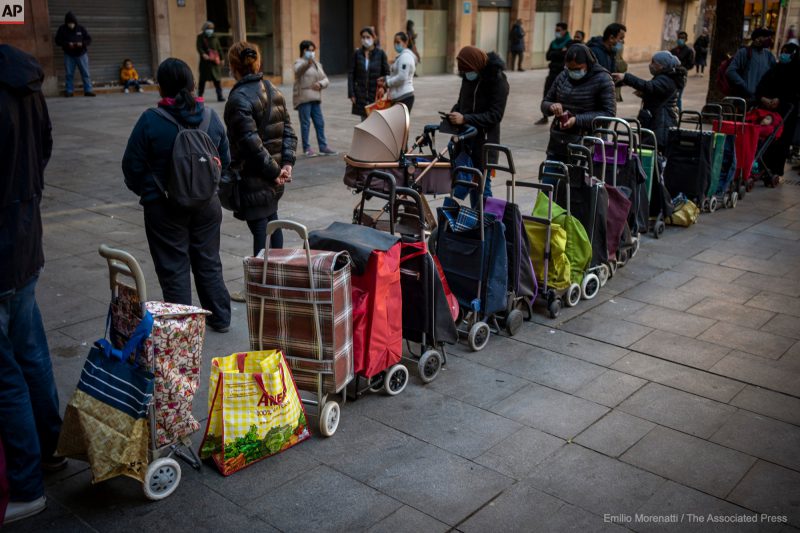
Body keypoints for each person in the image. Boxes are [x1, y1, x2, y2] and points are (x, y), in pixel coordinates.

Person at [0, 44, 63, 525]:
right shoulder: (25, 81)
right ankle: (52, 448)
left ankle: (25, 483)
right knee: (33, 355)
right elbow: (43, 146)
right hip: (25, 238)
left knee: (6, 377)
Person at [122, 58, 231, 332]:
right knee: (208, 262)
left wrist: (151, 193)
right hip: (207, 206)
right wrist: (208, 189)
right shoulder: (210, 117)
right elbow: (226, 160)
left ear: (161, 87)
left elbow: (131, 167)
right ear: (192, 83)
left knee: (174, 269)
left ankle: (184, 328)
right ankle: (220, 317)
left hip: (165, 207)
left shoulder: (151, 120)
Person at [225, 41, 297, 303]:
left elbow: (250, 145)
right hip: (273, 177)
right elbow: (288, 131)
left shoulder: (238, 99)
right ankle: (274, 279)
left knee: (261, 228)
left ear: (233, 66)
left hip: (257, 178)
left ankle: (260, 289)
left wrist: (277, 170)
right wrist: (285, 165)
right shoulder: (273, 89)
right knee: (271, 222)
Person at [447, 45, 509, 198]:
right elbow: (461, 103)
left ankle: (487, 221)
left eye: (468, 70)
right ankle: (474, 220)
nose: (467, 74)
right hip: (465, 141)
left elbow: (495, 115)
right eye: (464, 72)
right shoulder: (468, 78)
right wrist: (454, 113)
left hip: (484, 143)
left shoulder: (497, 81)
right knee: (464, 185)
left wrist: (466, 118)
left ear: (476, 65)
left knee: (481, 188)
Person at [541, 43, 616, 162]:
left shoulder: (603, 79)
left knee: (577, 179)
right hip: (558, 142)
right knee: (549, 178)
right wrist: (551, 106)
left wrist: (577, 120)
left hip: (587, 144)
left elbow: (609, 114)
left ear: (588, 64)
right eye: (569, 68)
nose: (572, 72)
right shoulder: (563, 76)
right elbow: (545, 102)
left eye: (577, 69)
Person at [613, 51, 686, 148]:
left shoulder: (666, 79)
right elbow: (655, 92)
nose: (650, 65)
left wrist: (626, 77)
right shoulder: (667, 77)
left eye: (653, 62)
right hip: (659, 122)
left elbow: (649, 86)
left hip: (661, 124)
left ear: (662, 65)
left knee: (654, 152)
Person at [755, 42, 800, 181]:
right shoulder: (775, 68)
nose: (784, 54)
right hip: (769, 111)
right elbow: (762, 85)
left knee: (781, 141)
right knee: (766, 137)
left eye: (787, 52)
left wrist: (780, 100)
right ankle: (762, 166)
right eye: (783, 51)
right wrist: (763, 98)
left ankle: (775, 170)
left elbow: (794, 92)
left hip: (787, 113)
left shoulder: (796, 72)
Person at [293, 40, 334, 157]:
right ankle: (307, 148)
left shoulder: (317, 64)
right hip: (304, 99)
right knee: (305, 124)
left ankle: (323, 146)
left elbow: (326, 79)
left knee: (320, 123)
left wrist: (320, 84)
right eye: (309, 50)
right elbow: (298, 72)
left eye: (312, 50)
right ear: (303, 50)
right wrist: (307, 63)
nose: (311, 52)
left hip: (316, 98)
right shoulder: (299, 62)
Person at [348, 27, 390, 121]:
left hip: (376, 94)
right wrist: (351, 93)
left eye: (368, 37)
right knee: (364, 122)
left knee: (376, 122)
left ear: (373, 37)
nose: (365, 40)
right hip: (361, 94)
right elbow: (351, 74)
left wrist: (384, 87)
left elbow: (387, 73)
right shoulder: (357, 54)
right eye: (363, 37)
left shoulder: (380, 54)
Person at [727, 27, 777, 104]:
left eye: (769, 36)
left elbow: (775, 72)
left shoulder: (768, 55)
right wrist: (745, 86)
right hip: (746, 100)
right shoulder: (744, 52)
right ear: (757, 38)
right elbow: (730, 71)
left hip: (762, 100)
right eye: (765, 36)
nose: (768, 39)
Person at [536, 22, 572, 125]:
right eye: (556, 30)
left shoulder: (569, 42)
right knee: (547, 94)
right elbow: (548, 56)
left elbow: (564, 56)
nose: (556, 32)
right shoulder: (553, 42)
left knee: (562, 96)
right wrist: (559, 52)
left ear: (564, 31)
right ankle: (545, 117)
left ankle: (563, 118)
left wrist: (556, 54)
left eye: (558, 30)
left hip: (562, 73)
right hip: (552, 72)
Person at [54, 12, 95, 97]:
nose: (71, 25)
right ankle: (69, 91)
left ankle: (88, 90)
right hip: (69, 55)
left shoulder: (81, 28)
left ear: (75, 22)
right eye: (69, 23)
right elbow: (58, 41)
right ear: (66, 22)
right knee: (69, 74)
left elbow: (89, 39)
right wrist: (67, 44)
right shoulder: (62, 29)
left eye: (72, 23)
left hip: (81, 54)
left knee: (85, 73)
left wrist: (82, 43)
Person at [383, 32, 416, 111]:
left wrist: (387, 83)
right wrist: (385, 78)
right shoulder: (401, 56)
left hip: (404, 96)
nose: (395, 45)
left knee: (399, 123)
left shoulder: (405, 57)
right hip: (398, 95)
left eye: (398, 42)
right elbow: (396, 74)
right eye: (394, 42)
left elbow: (402, 77)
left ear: (405, 42)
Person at [197, 21, 225, 102]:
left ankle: (220, 96)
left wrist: (222, 58)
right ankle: (200, 96)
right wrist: (203, 54)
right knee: (202, 80)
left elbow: (219, 48)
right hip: (205, 63)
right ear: (205, 29)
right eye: (208, 28)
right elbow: (199, 47)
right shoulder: (200, 37)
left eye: (211, 28)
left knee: (217, 80)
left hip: (214, 62)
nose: (210, 30)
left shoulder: (215, 37)